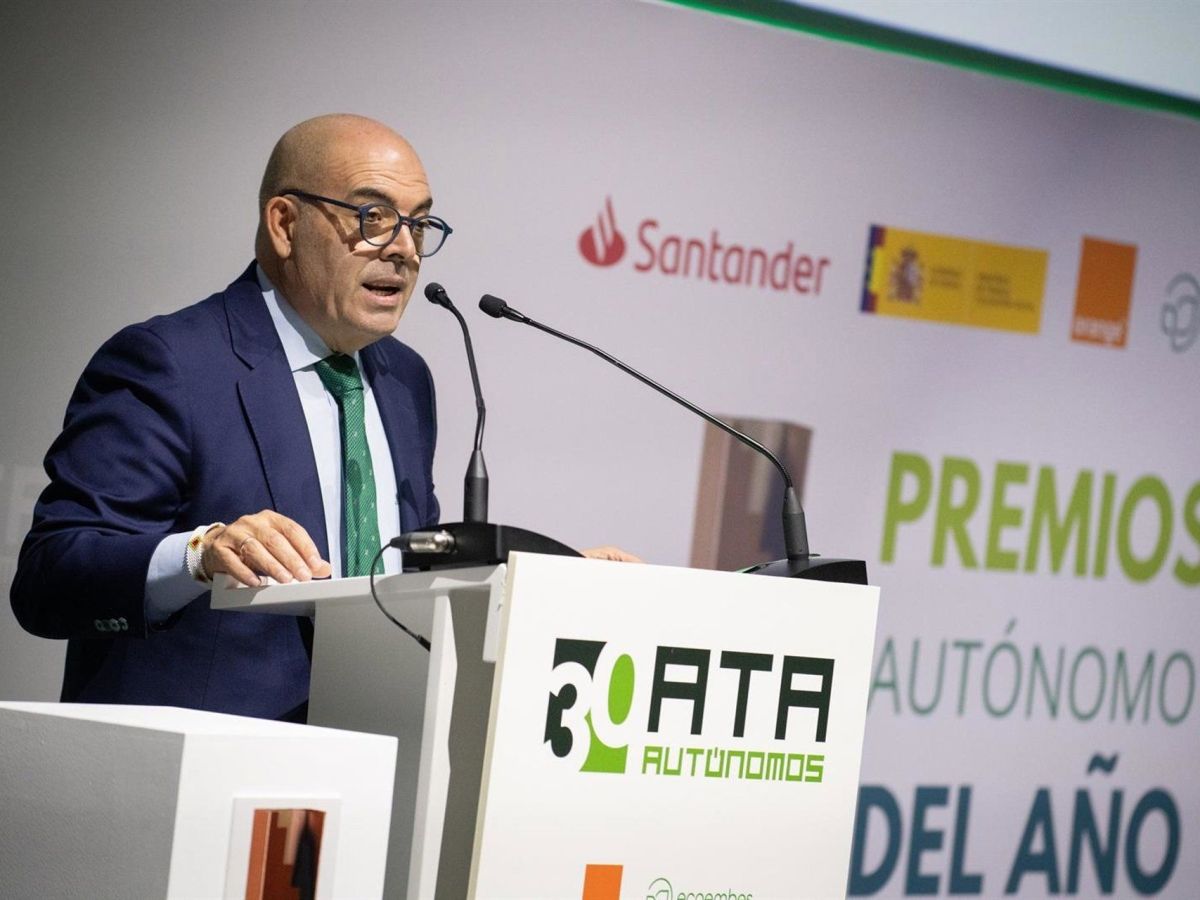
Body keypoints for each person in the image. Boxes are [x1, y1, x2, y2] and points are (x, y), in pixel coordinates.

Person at [10, 114, 453, 721]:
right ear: (285, 224)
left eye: (418, 223)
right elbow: (50, 577)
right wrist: (199, 555)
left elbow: (400, 572)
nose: (404, 248)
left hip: (375, 747)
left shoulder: (406, 380)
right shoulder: (171, 363)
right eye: (372, 217)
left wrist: (534, 575)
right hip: (201, 761)